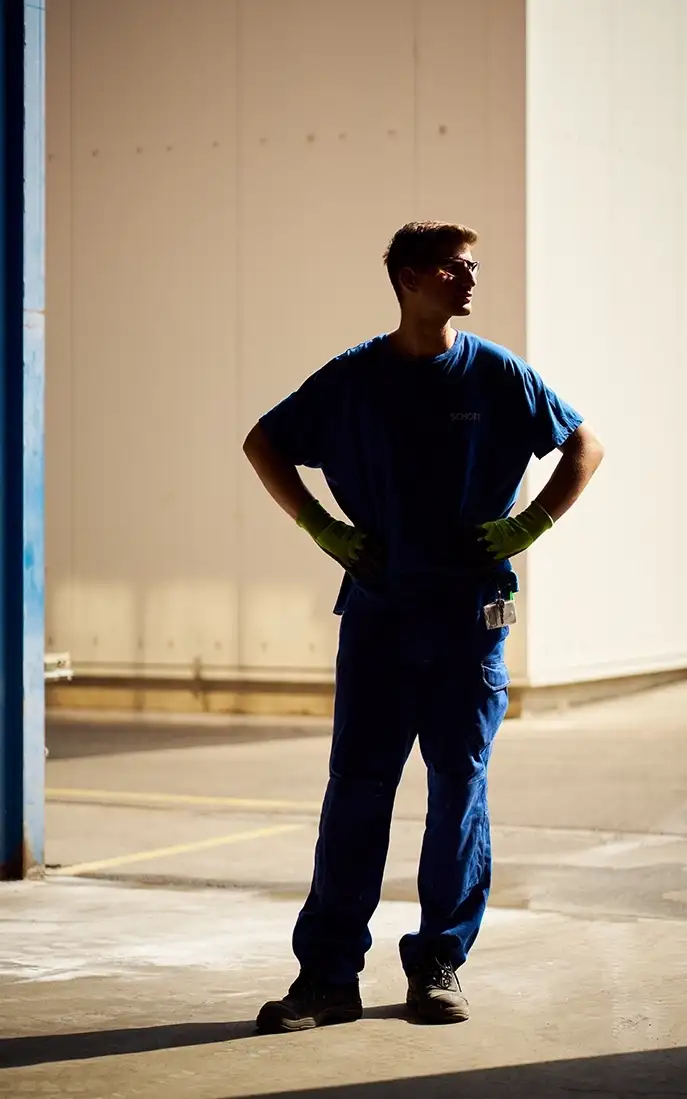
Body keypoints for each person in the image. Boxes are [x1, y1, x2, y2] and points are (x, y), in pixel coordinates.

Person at [243, 220, 604, 1033]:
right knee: (356, 795)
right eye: (454, 267)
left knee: (457, 792)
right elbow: (263, 441)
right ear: (409, 278)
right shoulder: (352, 379)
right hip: (377, 616)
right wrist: (321, 528)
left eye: (473, 266)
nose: (470, 279)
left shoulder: (498, 374)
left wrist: (531, 524)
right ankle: (328, 977)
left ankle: (438, 964)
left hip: (469, 622)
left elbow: (583, 443)